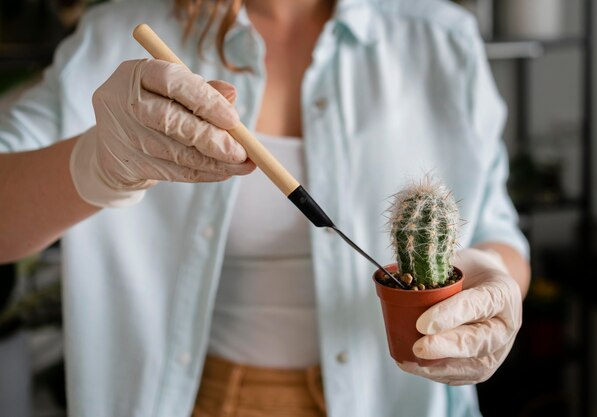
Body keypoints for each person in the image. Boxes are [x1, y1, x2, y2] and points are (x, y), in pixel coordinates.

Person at [0, 0, 531, 416]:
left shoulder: (441, 37)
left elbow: (497, 229)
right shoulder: (111, 33)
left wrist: (496, 278)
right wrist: (95, 162)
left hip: (394, 403)